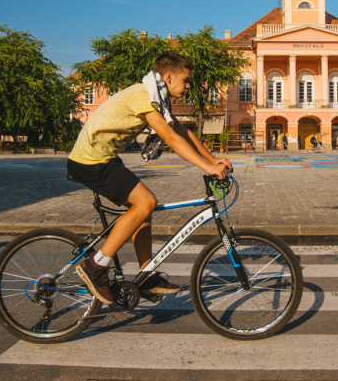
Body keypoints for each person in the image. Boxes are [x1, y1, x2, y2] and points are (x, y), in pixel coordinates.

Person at [66, 53, 232, 304]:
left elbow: (180, 130)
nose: (188, 86)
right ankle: (96, 266)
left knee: (142, 209)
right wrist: (207, 168)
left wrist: (212, 159)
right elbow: (170, 138)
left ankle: (145, 274)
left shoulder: (157, 97)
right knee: (145, 202)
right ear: (168, 76)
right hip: (91, 160)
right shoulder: (144, 95)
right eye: (186, 80)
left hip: (103, 158)